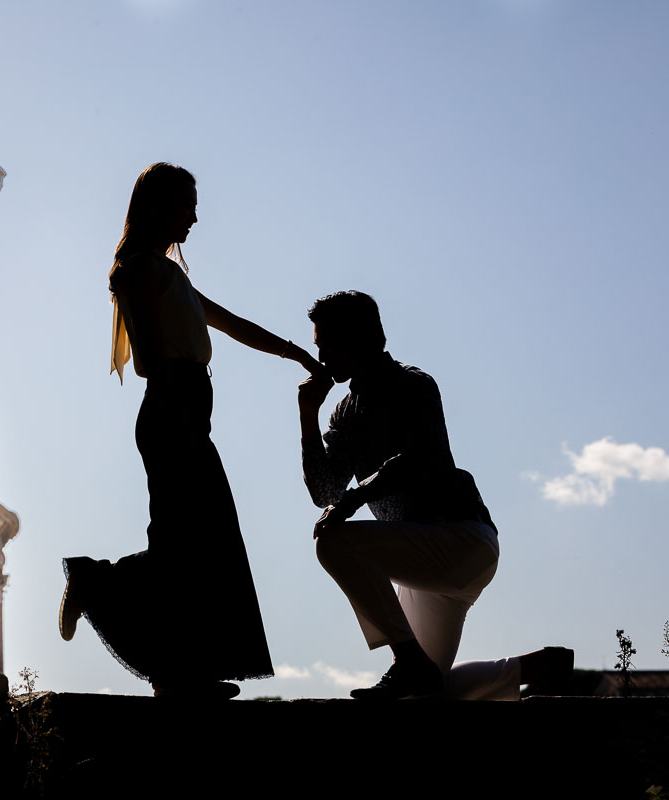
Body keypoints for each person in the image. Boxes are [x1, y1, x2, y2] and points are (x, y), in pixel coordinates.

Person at [58, 162, 324, 699]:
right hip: (173, 409)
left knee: (200, 541)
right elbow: (149, 363)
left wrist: (296, 353)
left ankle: (179, 670)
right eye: (187, 205)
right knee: (188, 540)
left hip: (187, 411)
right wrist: (180, 372)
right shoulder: (136, 269)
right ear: (158, 207)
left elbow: (234, 325)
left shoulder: (168, 273)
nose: (195, 217)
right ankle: (97, 583)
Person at [298, 290, 571, 699]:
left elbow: (417, 457)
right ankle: (534, 666)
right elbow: (326, 493)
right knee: (425, 693)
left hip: (460, 540)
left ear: (358, 337)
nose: (320, 359)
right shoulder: (344, 411)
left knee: (333, 542)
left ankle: (406, 660)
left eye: (327, 346)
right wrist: (307, 414)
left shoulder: (413, 384)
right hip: (422, 562)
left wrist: (353, 502)